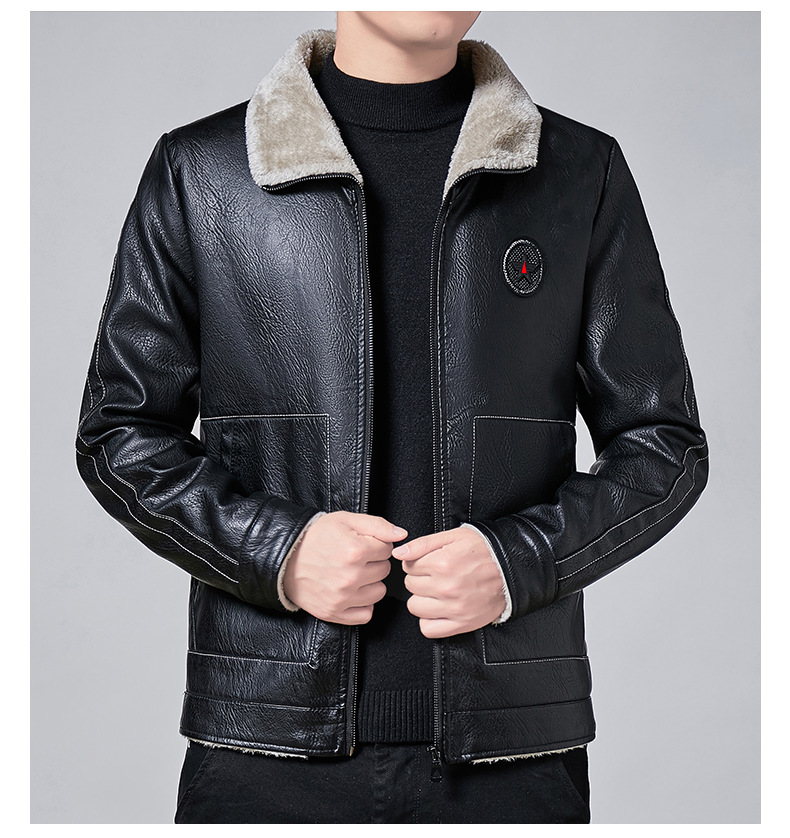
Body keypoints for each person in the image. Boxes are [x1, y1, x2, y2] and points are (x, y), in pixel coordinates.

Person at [74, 11, 709, 824]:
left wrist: (521, 563)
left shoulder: (579, 171)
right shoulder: (203, 171)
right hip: (265, 747)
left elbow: (664, 444)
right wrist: (279, 552)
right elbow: (120, 433)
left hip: (512, 752)